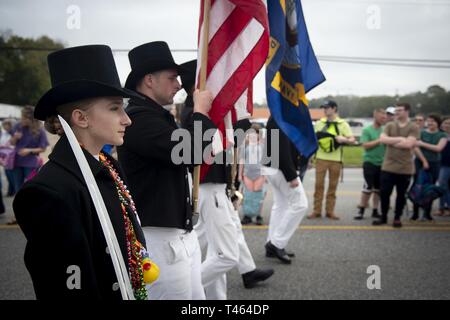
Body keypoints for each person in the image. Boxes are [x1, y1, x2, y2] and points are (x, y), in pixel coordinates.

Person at [13, 45, 151, 299]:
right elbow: (65, 289)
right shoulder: (49, 191)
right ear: (81, 118)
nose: (127, 119)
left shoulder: (106, 164)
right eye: (114, 108)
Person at [117, 43, 216, 300]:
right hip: (159, 239)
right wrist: (201, 112)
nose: (179, 84)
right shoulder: (139, 119)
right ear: (149, 80)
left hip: (177, 234)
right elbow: (192, 152)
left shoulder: (155, 116)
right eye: (172, 78)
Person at [179, 59, 274, 299]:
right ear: (198, 88)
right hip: (209, 188)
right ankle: (181, 290)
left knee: (212, 248)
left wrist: (240, 112)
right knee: (225, 255)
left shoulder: (200, 112)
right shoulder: (195, 114)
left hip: (212, 187)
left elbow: (234, 138)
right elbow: (216, 143)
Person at [262, 116, 308, 264]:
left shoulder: (277, 116)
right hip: (280, 168)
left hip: (273, 166)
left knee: (281, 205)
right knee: (300, 204)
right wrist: (291, 175)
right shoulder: (280, 116)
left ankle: (272, 243)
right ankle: (276, 243)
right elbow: (281, 148)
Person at [374, 103, 419, 228]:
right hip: (388, 166)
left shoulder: (413, 126)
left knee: (401, 194)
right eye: (396, 110)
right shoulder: (390, 125)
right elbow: (382, 139)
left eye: (400, 110)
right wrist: (400, 139)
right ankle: (383, 217)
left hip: (405, 168)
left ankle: (397, 217)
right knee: (384, 193)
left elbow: (409, 145)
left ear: (407, 111)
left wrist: (391, 141)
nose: (397, 112)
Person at [309, 100, 355, 220]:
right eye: (324, 108)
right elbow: (313, 141)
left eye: (327, 107)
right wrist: (309, 158)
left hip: (336, 160)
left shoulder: (342, 124)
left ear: (334, 108)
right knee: (318, 186)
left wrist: (343, 139)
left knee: (332, 187)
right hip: (320, 159)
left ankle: (330, 211)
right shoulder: (319, 123)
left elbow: (352, 140)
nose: (325, 110)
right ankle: (316, 210)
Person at [411, 114, 447, 221]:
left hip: (435, 163)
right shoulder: (421, 132)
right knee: (417, 187)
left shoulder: (442, 135)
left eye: (433, 121)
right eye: (429, 121)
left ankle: (427, 212)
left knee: (430, 189)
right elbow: (415, 147)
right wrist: (424, 160)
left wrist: (422, 143)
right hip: (420, 162)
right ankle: (415, 212)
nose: (430, 123)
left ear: (438, 123)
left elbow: (438, 148)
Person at [354, 108, 386, 220]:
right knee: (368, 187)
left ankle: (375, 210)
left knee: (378, 189)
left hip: (382, 163)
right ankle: (361, 210)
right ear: (375, 116)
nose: (384, 119)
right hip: (369, 162)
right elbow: (365, 145)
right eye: (382, 117)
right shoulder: (367, 130)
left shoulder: (385, 130)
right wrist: (380, 140)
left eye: (385, 117)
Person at [239, 123, 266, 225]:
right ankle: (247, 215)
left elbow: (265, 161)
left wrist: (265, 175)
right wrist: (239, 174)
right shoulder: (245, 144)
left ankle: (259, 215)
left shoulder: (263, 145)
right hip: (247, 173)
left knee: (258, 195)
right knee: (248, 195)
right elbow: (241, 160)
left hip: (259, 173)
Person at [435, 116, 450, 216]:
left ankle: (446, 207)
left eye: (449, 123)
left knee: (443, 186)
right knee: (442, 186)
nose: (447, 125)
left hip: (447, 165)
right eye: (445, 123)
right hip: (440, 164)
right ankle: (441, 208)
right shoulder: (440, 135)